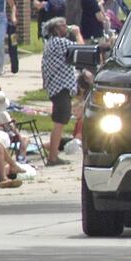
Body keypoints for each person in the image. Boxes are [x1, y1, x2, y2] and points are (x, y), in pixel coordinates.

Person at [41, 18, 82, 166]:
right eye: (63, 25)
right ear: (56, 29)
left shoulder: (51, 43)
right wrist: (77, 33)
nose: (67, 27)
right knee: (59, 123)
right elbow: (82, 51)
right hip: (61, 88)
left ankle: (53, 155)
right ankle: (53, 157)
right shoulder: (59, 42)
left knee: (59, 122)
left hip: (56, 88)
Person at [0, 91, 28, 162]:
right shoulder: (4, 114)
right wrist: (18, 134)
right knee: (25, 139)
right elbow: (12, 127)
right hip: (6, 134)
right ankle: (21, 158)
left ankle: (19, 157)